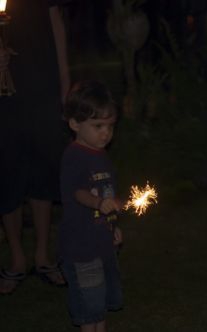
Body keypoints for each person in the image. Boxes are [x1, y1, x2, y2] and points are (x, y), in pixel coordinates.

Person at [0, 0, 70, 294]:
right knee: (7, 169)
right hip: (5, 92)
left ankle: (43, 255)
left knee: (42, 166)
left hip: (42, 82)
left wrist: (65, 81)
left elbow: (56, 23)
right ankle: (17, 259)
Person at [59, 81, 123, 332]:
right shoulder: (75, 155)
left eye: (110, 126)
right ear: (75, 124)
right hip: (81, 246)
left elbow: (107, 193)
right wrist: (99, 203)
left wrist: (112, 226)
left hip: (100, 241)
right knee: (89, 305)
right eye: (98, 126)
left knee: (100, 301)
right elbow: (78, 192)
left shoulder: (101, 156)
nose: (105, 133)